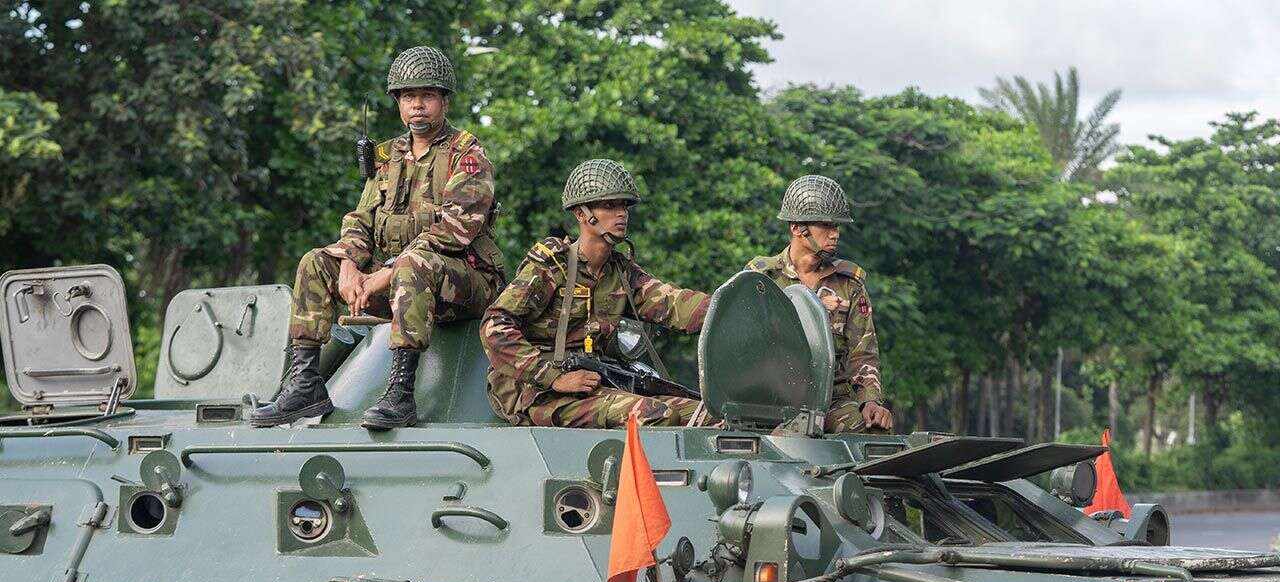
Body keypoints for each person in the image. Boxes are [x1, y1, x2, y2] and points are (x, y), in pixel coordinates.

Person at [251, 46, 506, 430]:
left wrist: (386, 272)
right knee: (316, 262)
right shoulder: (389, 157)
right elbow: (361, 219)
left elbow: (457, 230)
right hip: (402, 284)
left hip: (465, 285)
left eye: (426, 96)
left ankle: (400, 394)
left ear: (443, 101)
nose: (417, 105)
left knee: (413, 264)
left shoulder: (466, 155)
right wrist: (350, 263)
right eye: (408, 97)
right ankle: (304, 384)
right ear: (398, 104)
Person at [480, 159, 709, 428]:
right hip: (541, 394)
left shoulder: (620, 273)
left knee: (708, 416)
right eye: (610, 206)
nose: (621, 214)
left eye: (624, 205)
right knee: (654, 414)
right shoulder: (553, 266)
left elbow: (675, 304)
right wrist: (553, 377)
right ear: (581, 214)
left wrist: (731, 310)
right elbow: (494, 326)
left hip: (596, 385)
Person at [745, 174, 893, 433]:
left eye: (837, 226)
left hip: (831, 399)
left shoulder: (849, 283)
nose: (835, 234)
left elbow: (863, 353)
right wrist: (811, 311)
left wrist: (870, 400)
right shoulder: (760, 279)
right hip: (771, 399)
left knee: (872, 432)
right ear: (797, 228)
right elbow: (746, 346)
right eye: (826, 225)